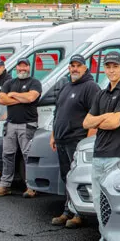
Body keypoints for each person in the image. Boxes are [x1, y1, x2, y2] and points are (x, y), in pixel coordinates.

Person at [80, 52, 120, 241]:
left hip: (116, 154)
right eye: (108, 66)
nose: (111, 70)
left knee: (112, 205)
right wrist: (105, 117)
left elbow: (115, 123)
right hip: (99, 155)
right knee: (98, 203)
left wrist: (100, 119)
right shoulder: (101, 94)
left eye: (115, 66)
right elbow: (86, 122)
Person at [50, 54, 100, 228]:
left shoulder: (90, 87)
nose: (75, 69)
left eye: (79, 65)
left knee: (77, 178)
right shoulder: (66, 87)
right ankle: (68, 211)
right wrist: (53, 135)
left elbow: (95, 115)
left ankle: (79, 214)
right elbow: (58, 113)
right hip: (62, 139)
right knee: (67, 177)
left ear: (85, 68)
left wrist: (88, 143)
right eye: (72, 66)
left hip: (77, 140)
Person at [0, 58, 42, 197]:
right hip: (10, 124)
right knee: (7, 155)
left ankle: (31, 187)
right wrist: (22, 99)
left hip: (27, 125)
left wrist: (13, 95)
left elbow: (31, 98)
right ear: (16, 68)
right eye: (19, 67)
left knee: (28, 156)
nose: (22, 69)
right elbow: (1, 99)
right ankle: (5, 186)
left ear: (29, 67)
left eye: (24, 66)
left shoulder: (35, 82)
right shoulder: (9, 82)